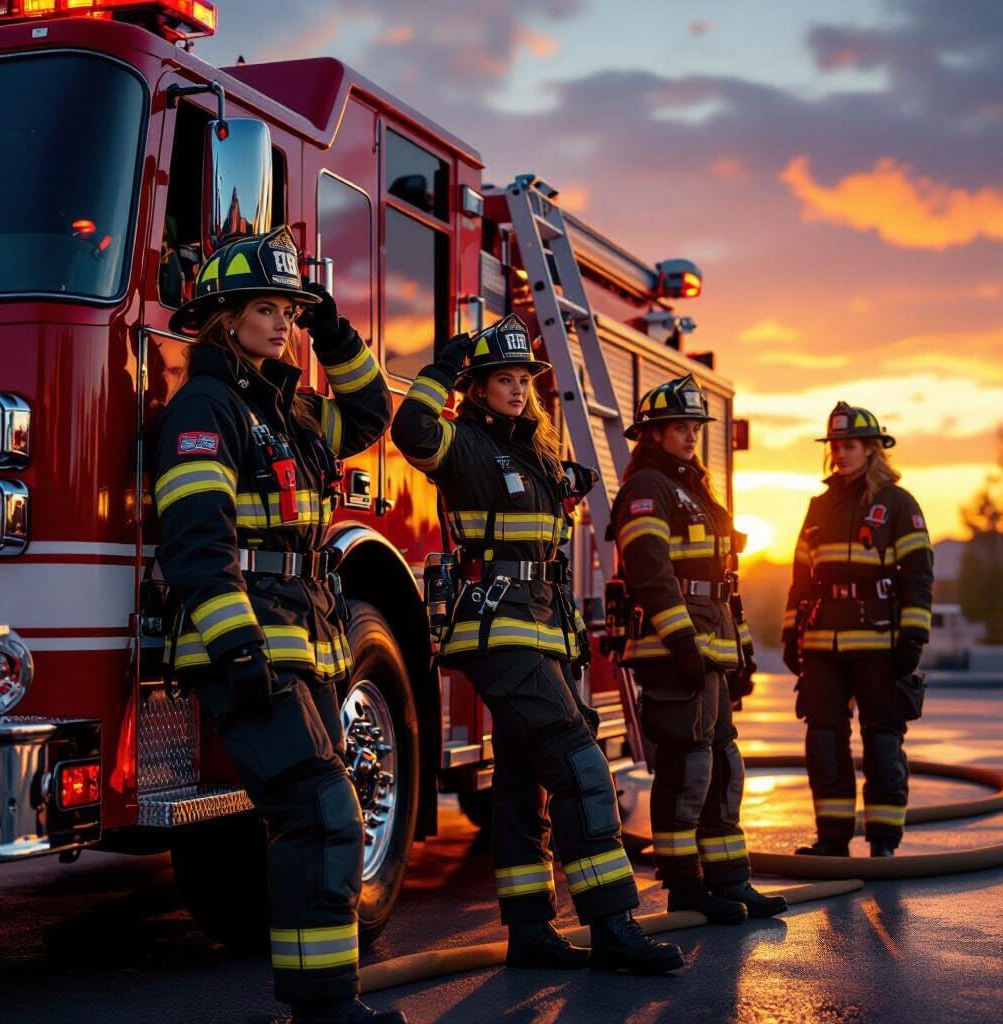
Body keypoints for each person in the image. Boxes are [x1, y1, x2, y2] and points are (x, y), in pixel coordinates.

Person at [150, 226, 400, 1024]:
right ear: (224, 318)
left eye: (291, 312)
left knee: (320, 818)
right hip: (251, 649)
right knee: (323, 813)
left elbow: (370, 411)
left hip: (310, 645)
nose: (284, 324)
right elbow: (197, 542)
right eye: (269, 308)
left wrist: (334, 328)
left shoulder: (289, 408)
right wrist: (236, 646)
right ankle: (324, 1007)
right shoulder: (204, 407)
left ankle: (322, 999)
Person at [391, 315, 685, 975]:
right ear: (478, 387)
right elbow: (410, 431)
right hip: (501, 633)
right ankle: (612, 926)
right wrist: (441, 366)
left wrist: (565, 482)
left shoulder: (538, 455)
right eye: (504, 379)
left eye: (525, 379)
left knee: (523, 781)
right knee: (580, 767)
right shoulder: (464, 444)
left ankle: (530, 932)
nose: (518, 389)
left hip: (542, 632)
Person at [610, 375, 787, 922]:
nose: (690, 436)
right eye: (678, 427)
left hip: (711, 647)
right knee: (686, 768)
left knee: (722, 766)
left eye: (694, 427)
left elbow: (724, 582)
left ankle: (730, 880)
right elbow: (651, 575)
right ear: (653, 434)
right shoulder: (647, 490)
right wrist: (681, 642)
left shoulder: (696, 490)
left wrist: (744, 651)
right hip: (675, 650)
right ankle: (685, 885)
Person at [783, 402, 933, 858]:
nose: (841, 454)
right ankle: (832, 839)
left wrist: (913, 635)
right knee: (824, 740)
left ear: (872, 449)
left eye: (849, 445)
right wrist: (792, 633)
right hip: (824, 644)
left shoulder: (898, 504)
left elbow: (918, 573)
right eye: (835, 446)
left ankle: (884, 841)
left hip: (880, 644)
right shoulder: (819, 507)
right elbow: (802, 577)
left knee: (882, 740)